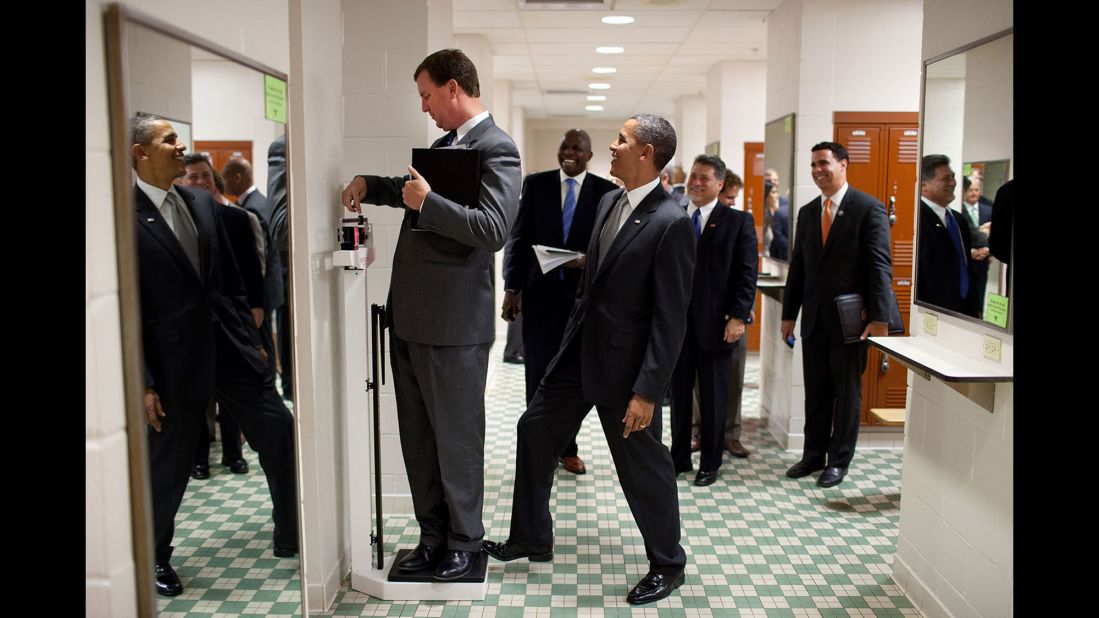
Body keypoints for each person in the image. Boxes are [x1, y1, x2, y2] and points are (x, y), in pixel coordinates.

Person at [483, 114, 695, 606]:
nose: (612, 146)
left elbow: (670, 319)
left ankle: (668, 563)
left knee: (643, 468)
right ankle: (530, 535)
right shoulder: (608, 201)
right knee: (533, 428)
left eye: (622, 140)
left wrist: (647, 390)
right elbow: (594, 281)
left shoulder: (671, 223)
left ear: (647, 154)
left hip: (626, 371)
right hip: (578, 353)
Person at [340, 48, 521, 581]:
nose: (424, 107)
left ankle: (466, 542)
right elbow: (412, 193)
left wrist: (428, 203)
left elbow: (492, 229)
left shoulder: (497, 149)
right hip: (412, 317)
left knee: (456, 439)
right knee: (417, 437)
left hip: (455, 325)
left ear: (453, 89)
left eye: (426, 95)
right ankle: (432, 536)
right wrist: (372, 187)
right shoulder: (447, 145)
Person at [131, 115, 298, 597]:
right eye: (168, 140)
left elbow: (230, 282)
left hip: (231, 350)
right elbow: (127, 307)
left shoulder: (202, 203)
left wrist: (256, 341)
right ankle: (156, 558)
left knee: (279, 432)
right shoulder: (118, 215)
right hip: (171, 364)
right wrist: (142, 381)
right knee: (170, 464)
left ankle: (290, 530)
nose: (180, 145)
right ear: (139, 152)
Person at [502, 128, 617, 475]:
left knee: (572, 379)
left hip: (583, 303)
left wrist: (584, 261)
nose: (569, 153)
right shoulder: (536, 186)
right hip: (540, 296)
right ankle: (538, 449)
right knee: (536, 374)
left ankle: (569, 448)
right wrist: (511, 289)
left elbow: (610, 248)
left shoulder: (606, 193)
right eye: (564, 146)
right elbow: (519, 239)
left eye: (577, 148)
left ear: (589, 155)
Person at [781, 141, 893, 488]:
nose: (817, 170)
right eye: (813, 165)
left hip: (851, 322)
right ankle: (813, 454)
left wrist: (879, 318)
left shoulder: (868, 209)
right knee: (816, 391)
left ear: (843, 164)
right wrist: (789, 314)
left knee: (846, 393)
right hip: (814, 320)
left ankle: (838, 460)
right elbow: (799, 267)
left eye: (823, 163)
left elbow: (879, 267)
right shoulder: (810, 211)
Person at [669, 155, 757, 486]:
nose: (696, 182)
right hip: (677, 327)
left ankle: (710, 461)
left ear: (720, 184)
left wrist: (738, 317)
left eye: (705, 178)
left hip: (718, 326)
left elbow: (746, 275)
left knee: (714, 398)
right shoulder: (675, 217)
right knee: (679, 397)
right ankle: (679, 457)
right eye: (694, 176)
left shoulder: (737, 222)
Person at [916, 154, 979, 318]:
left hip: (965, 310)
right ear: (924, 186)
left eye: (953, 177)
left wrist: (975, 306)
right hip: (933, 313)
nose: (953, 183)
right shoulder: (916, 219)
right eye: (945, 179)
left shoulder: (959, 221)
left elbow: (966, 267)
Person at [961, 176, 993, 316]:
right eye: (970, 190)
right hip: (966, 261)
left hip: (983, 262)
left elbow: (996, 235)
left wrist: (989, 251)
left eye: (977, 190)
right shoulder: (958, 210)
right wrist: (983, 232)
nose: (974, 193)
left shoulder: (989, 209)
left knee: (980, 294)